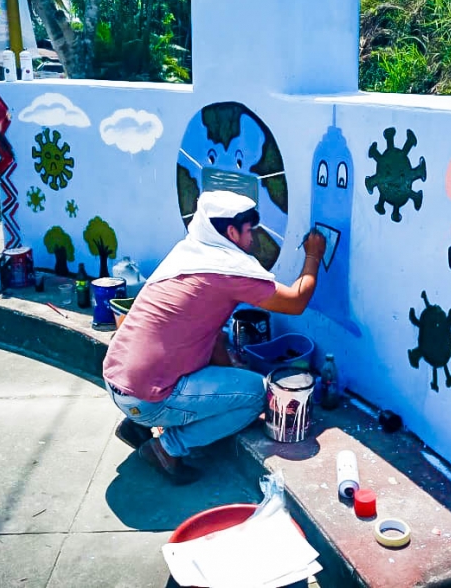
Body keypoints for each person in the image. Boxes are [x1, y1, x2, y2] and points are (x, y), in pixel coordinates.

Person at [102, 190, 327, 485]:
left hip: (118, 383)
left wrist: (230, 374)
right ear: (231, 232)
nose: (253, 239)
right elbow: (296, 300)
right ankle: (167, 449)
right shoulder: (228, 270)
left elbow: (213, 336)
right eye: (250, 231)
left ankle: (137, 426)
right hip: (146, 399)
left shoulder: (189, 254)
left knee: (226, 377)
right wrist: (313, 255)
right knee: (258, 394)